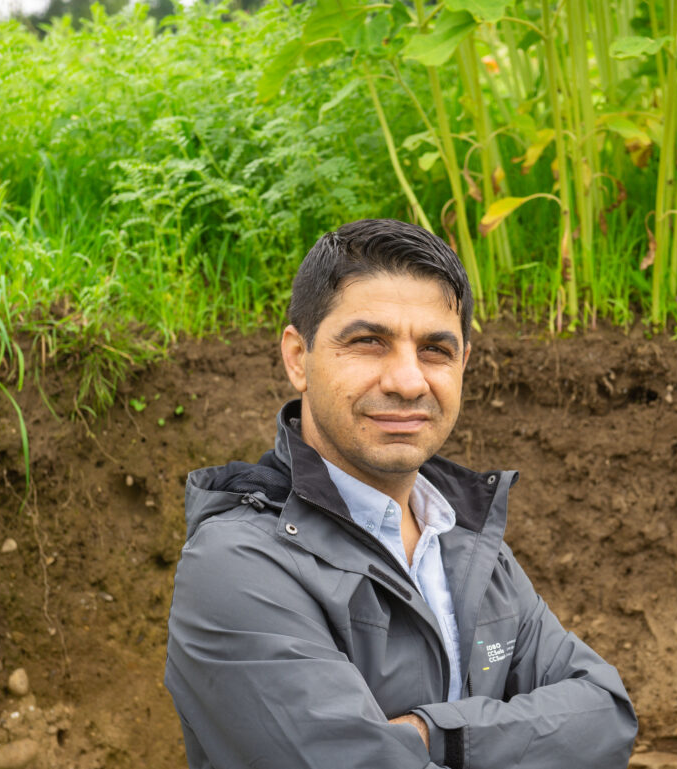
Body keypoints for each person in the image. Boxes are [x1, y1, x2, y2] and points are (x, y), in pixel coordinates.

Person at [164, 219, 637, 768]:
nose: (408, 381)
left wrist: (435, 735)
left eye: (435, 349)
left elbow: (604, 714)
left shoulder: (468, 547)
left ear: (463, 364)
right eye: (369, 342)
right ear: (298, 358)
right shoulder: (238, 564)